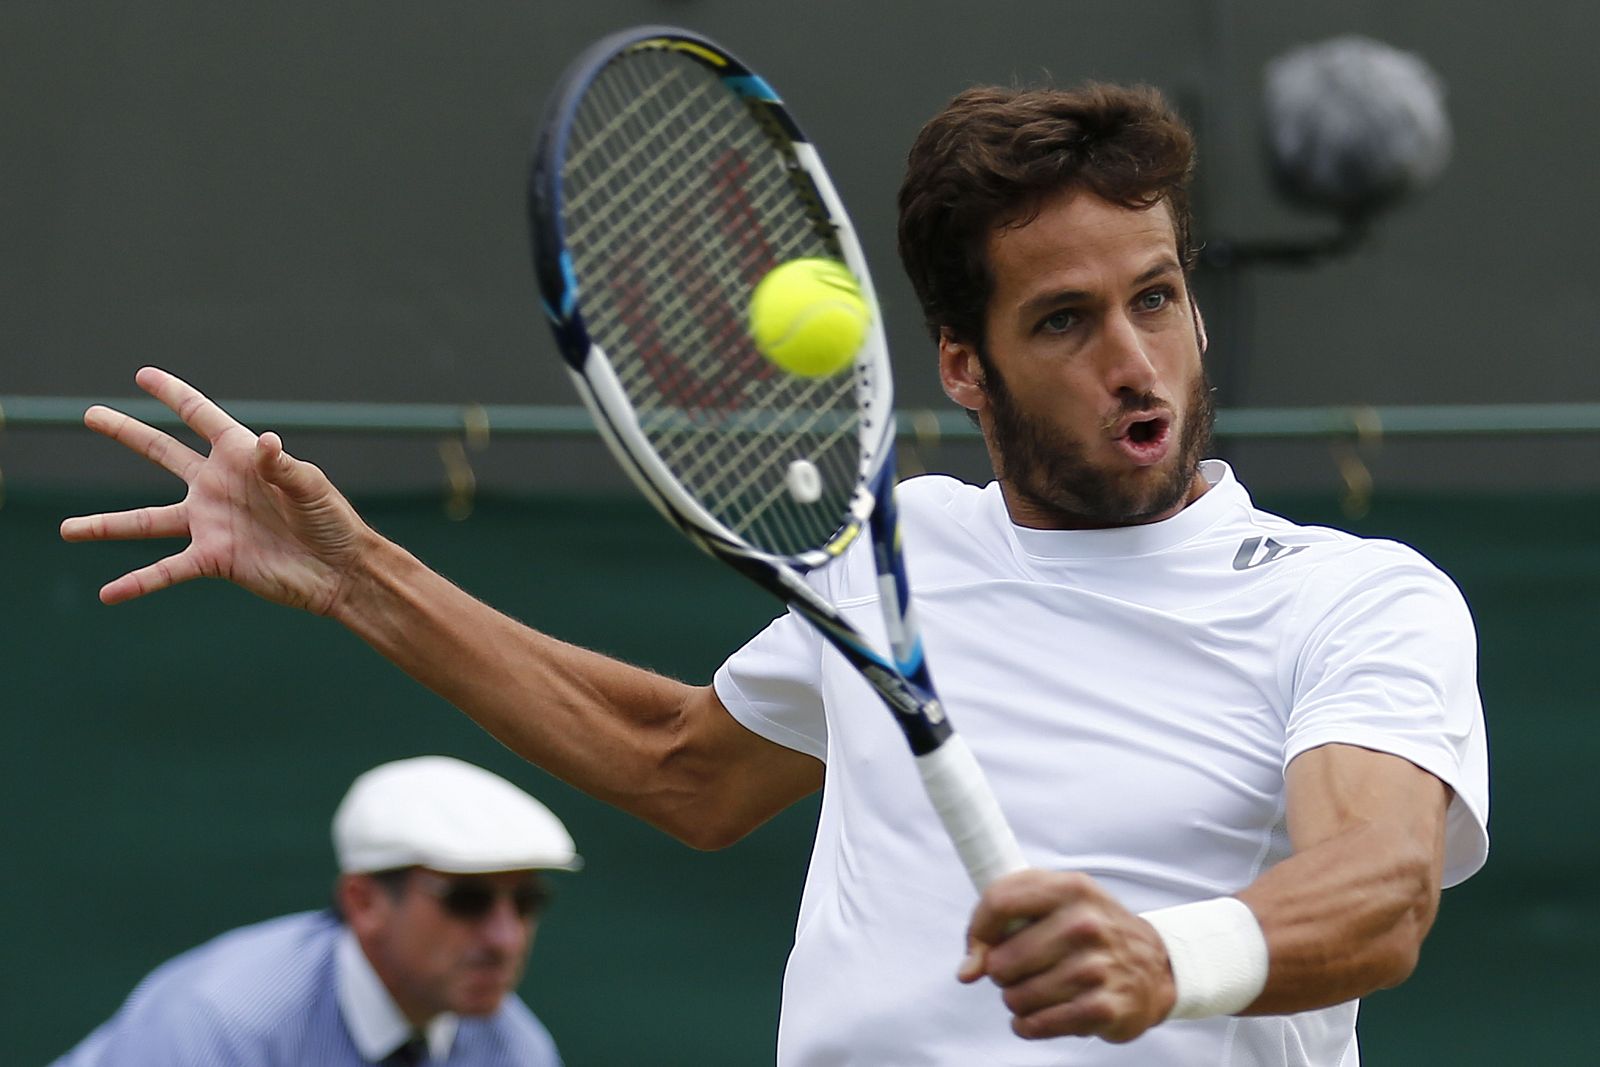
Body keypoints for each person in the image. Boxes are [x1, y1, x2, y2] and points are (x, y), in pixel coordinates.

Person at [61, 82, 1489, 1065]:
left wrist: (1169, 958)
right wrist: (359, 572)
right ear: (962, 364)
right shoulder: (901, 548)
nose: (1135, 359)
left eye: (1157, 296)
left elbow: (1378, 886)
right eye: (1064, 319)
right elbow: (680, 761)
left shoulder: (1351, 595)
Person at [50, 756, 580, 1066]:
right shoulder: (223, 1026)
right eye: (468, 900)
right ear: (363, 901)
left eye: (528, 903)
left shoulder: (514, 1049)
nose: (506, 938)